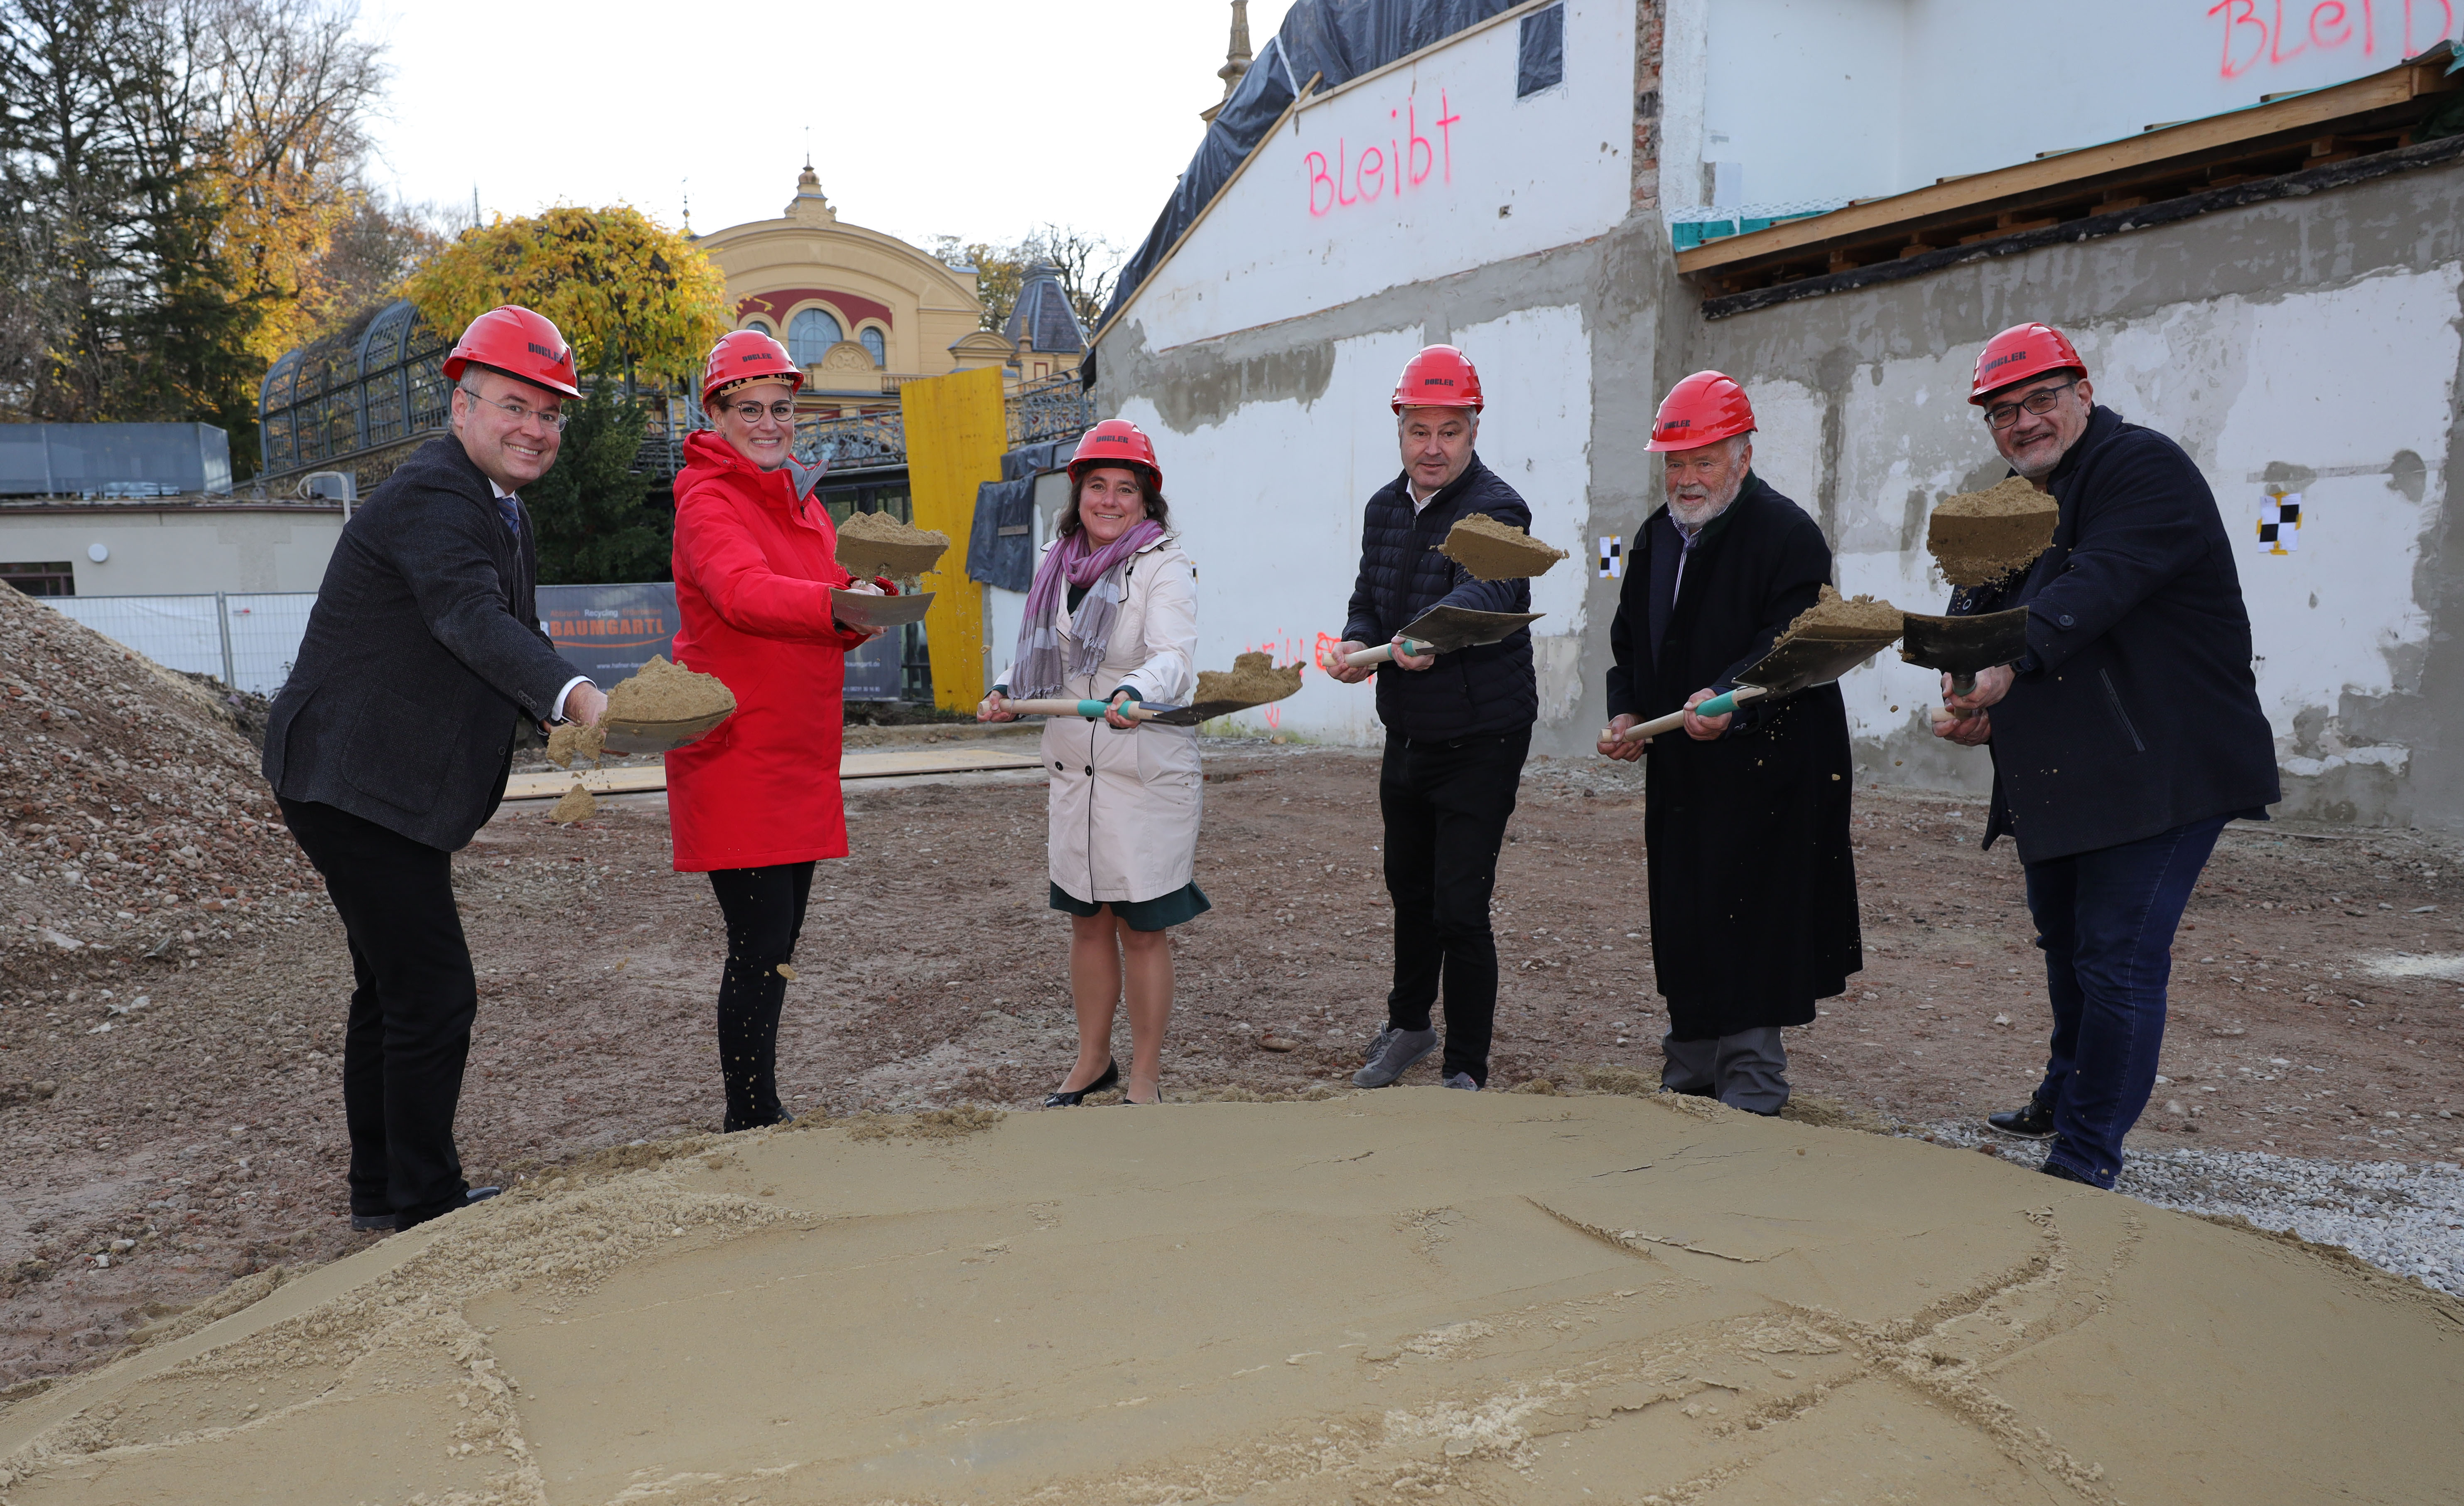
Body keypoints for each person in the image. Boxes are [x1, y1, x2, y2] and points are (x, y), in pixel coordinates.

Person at [263, 305, 607, 1232]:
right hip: (353, 780)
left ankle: (383, 1192)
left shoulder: (498, 506)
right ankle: (420, 1199)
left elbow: (513, 633)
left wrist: (560, 711)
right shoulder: (433, 495)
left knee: (390, 988)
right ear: (462, 407)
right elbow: (469, 618)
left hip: (368, 780)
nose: (535, 429)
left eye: (550, 413)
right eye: (514, 406)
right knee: (431, 989)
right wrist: (580, 697)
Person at [1932, 322, 2278, 1187]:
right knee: (2066, 942)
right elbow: (1970, 602)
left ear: (2082, 396)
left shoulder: (2142, 470)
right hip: (2067, 768)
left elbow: (2095, 585)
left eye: (2039, 400)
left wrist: (2006, 660)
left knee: (2117, 952)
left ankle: (2085, 1154)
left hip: (2162, 762)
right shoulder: (2010, 500)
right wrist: (1962, 682)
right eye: (2001, 412)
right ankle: (2062, 1091)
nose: (2021, 423)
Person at [1595, 372, 1861, 1114]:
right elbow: (1630, 646)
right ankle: (1689, 1068)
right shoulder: (1650, 539)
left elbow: (1787, 649)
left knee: (1753, 914)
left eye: (1704, 460)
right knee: (1684, 910)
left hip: (1769, 764)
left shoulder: (1787, 535)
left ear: (1742, 456)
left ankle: (1752, 1082)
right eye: (1675, 462)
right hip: (1683, 765)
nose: (1686, 478)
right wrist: (1628, 715)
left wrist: (1731, 703)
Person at [666, 329, 887, 1132]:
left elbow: (834, 596)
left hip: (797, 752)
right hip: (736, 753)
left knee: (779, 944)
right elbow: (743, 592)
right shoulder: (707, 500)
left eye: (782, 408)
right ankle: (750, 1113)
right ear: (716, 414)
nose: (769, 422)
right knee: (759, 944)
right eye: (749, 408)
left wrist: (871, 597)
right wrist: (837, 605)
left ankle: (758, 1104)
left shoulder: (802, 500)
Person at [1325, 345, 1536, 1093]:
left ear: (1474, 430)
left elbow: (1495, 592)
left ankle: (1466, 1064)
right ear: (1401, 429)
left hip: (1483, 733)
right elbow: (1367, 598)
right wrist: (1359, 641)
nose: (1433, 447)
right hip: (1408, 728)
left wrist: (1432, 632)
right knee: (1408, 888)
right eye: (1421, 430)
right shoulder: (1385, 508)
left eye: (1450, 430)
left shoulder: (1499, 509)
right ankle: (1409, 1024)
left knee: (1458, 903)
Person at [978, 419, 1205, 1108]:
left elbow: (1175, 657)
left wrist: (1137, 690)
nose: (1110, 500)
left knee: (1142, 927)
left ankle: (1143, 1077)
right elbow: (1043, 654)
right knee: (1086, 922)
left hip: (1143, 772)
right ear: (1077, 493)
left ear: (1147, 499)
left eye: (1125, 489)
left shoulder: (1164, 565)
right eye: (1097, 486)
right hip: (1074, 771)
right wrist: (1008, 690)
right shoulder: (1056, 558)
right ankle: (1091, 1060)